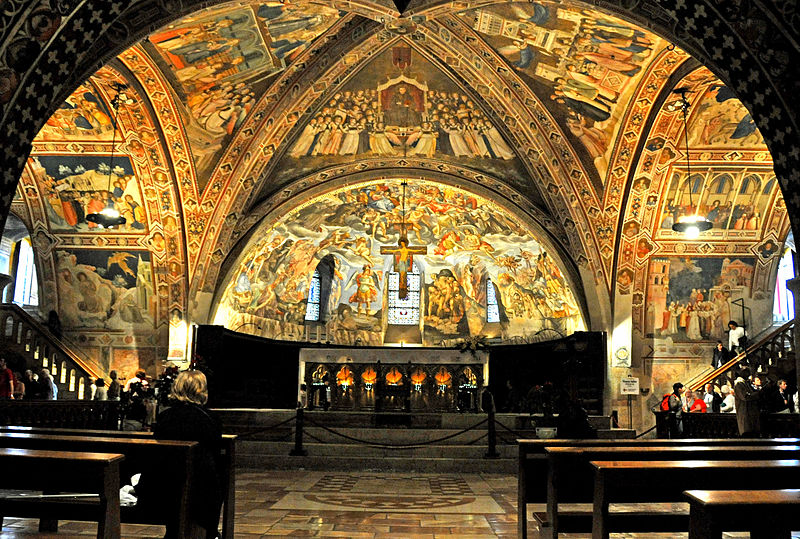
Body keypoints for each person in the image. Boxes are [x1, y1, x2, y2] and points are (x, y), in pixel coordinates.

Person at [136, 371, 222, 538]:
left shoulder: (165, 417)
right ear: (202, 390)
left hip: (165, 484)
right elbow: (214, 451)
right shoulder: (210, 418)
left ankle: (174, 531)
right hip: (200, 486)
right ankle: (208, 531)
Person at [734, 368, 761, 437]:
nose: (749, 375)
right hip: (744, 412)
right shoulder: (739, 384)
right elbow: (745, 397)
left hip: (750, 412)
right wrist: (758, 393)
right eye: (747, 373)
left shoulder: (745, 383)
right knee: (747, 434)